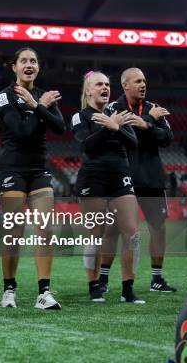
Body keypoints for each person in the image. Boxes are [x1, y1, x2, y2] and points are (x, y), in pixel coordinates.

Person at [0, 48, 65, 309]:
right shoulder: (4, 96)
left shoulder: (42, 97)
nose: (29, 64)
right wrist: (40, 109)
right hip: (12, 168)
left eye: (33, 61)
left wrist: (38, 105)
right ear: (14, 66)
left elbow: (61, 127)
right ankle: (9, 290)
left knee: (45, 230)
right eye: (23, 60)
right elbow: (22, 131)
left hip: (39, 170)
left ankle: (43, 293)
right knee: (14, 231)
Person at [99, 68, 176, 293]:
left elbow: (168, 138)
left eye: (144, 80)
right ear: (125, 85)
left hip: (152, 178)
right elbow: (119, 134)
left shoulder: (154, 109)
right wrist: (147, 121)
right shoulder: (113, 108)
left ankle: (157, 279)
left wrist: (148, 125)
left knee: (158, 228)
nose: (143, 84)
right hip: (123, 178)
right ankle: (103, 279)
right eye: (138, 81)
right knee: (113, 230)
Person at [71, 71, 144, 304]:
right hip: (93, 178)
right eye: (99, 84)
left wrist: (115, 126)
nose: (105, 88)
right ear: (88, 90)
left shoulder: (118, 114)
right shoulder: (80, 116)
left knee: (132, 234)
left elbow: (133, 143)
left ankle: (128, 289)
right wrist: (108, 128)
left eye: (107, 84)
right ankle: (94, 287)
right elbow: (86, 146)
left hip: (120, 177)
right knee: (96, 233)